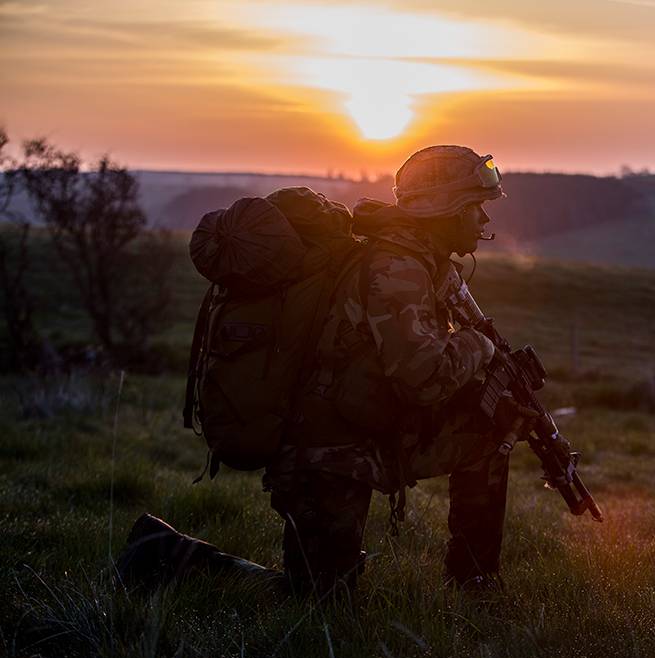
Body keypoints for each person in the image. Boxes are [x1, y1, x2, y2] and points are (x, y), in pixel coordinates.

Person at [117, 145, 529, 597]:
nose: (483, 219)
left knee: (491, 424)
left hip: (363, 434)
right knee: (317, 602)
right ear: (444, 209)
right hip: (323, 453)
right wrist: (479, 345)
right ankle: (162, 551)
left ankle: (474, 583)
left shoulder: (423, 260)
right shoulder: (397, 268)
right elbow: (424, 378)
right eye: (474, 206)